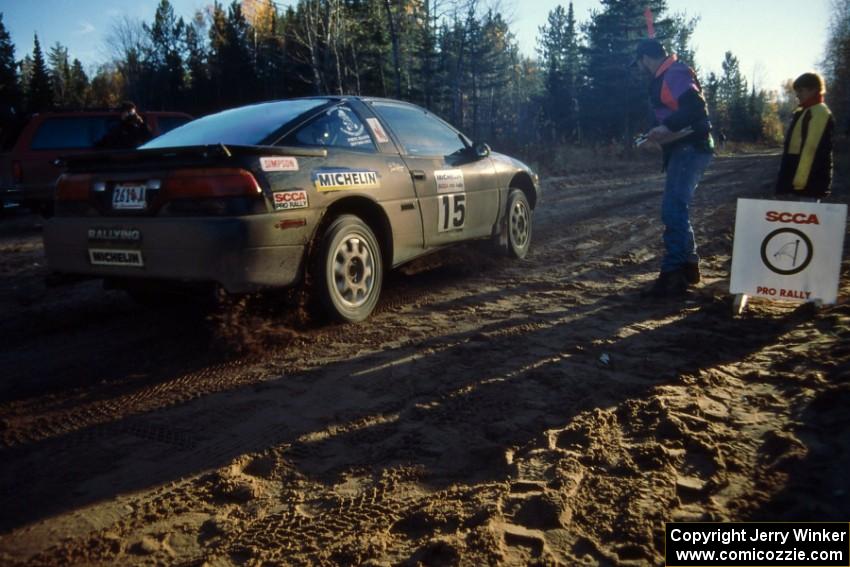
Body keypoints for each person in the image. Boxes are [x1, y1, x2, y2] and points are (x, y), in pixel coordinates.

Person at [631, 39, 714, 298]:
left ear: (645, 58)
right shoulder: (668, 74)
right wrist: (655, 136)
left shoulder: (674, 73)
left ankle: (672, 276)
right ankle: (689, 268)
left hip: (690, 147)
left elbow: (696, 107)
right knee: (677, 208)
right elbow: (676, 112)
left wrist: (667, 129)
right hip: (685, 148)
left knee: (672, 209)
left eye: (640, 62)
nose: (641, 67)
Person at [775, 72, 833, 201]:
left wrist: (800, 182)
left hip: (810, 181)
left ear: (813, 90)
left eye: (801, 90)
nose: (797, 95)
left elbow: (811, 149)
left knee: (807, 214)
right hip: (801, 181)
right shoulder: (805, 111)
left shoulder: (819, 112)